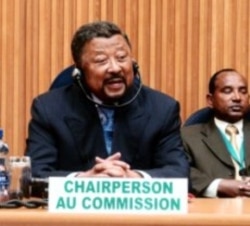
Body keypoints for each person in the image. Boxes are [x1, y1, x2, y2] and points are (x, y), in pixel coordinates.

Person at [25, 21, 189, 181]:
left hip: (138, 207)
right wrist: (82, 179)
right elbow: (36, 173)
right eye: (101, 61)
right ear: (79, 71)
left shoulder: (162, 108)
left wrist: (135, 177)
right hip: (75, 207)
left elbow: (179, 173)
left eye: (122, 58)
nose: (115, 68)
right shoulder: (48, 108)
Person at [181, 68, 250, 197]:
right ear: (210, 100)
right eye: (227, 91)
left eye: (243, 91)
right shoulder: (187, 136)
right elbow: (179, 170)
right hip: (213, 211)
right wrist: (218, 185)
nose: (237, 97)